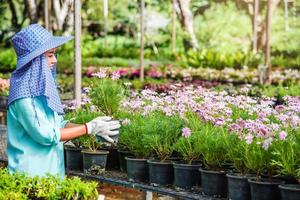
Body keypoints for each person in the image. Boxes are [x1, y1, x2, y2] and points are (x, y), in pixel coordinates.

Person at [6, 24, 120, 179]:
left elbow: (58, 124)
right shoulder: (23, 98)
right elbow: (46, 135)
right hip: (30, 178)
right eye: (50, 55)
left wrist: (94, 127)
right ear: (35, 59)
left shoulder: (40, 90)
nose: (55, 60)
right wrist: (88, 128)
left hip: (52, 175)